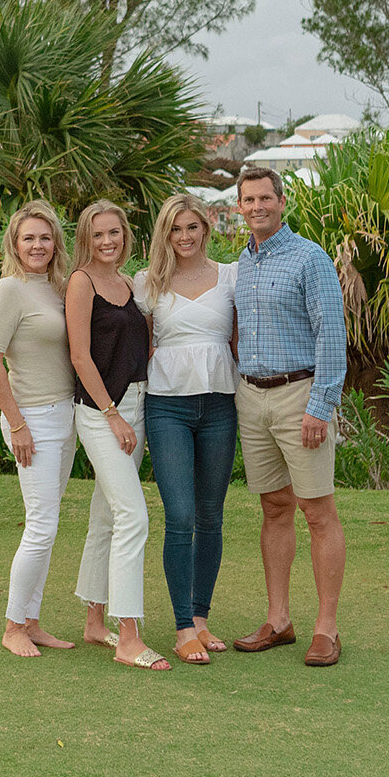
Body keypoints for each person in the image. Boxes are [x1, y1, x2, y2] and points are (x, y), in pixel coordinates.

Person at [227, 165, 349, 668]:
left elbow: (332, 336)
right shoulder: (243, 261)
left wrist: (320, 405)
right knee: (274, 508)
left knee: (317, 512)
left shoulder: (310, 258)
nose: (257, 207)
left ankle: (327, 629)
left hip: (300, 397)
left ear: (282, 201)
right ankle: (279, 620)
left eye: (265, 199)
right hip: (251, 399)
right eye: (248, 200)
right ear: (239, 207)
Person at [134, 192, 238, 667]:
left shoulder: (231, 277)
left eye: (191, 227)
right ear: (164, 234)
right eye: (174, 229)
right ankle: (181, 627)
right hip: (168, 408)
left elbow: (236, 342)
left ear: (206, 228)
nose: (184, 237)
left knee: (210, 515)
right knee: (179, 515)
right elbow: (145, 345)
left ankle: (200, 617)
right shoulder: (148, 284)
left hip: (220, 406)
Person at [63, 199, 168, 671]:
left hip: (138, 404)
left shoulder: (129, 283)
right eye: (99, 234)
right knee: (133, 516)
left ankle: (93, 619)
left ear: (126, 235)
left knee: (106, 516)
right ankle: (128, 635)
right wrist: (112, 414)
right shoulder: (81, 283)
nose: (108, 241)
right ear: (87, 237)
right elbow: (81, 357)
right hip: (101, 412)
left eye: (116, 233)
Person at [0, 200, 81, 658]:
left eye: (45, 237)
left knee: (49, 523)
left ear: (55, 242)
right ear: (15, 246)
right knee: (40, 525)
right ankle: (13, 626)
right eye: (28, 239)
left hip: (66, 417)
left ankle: (33, 621)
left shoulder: (59, 287)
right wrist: (17, 424)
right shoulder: (10, 290)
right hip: (32, 421)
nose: (37, 245)